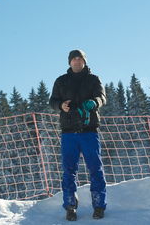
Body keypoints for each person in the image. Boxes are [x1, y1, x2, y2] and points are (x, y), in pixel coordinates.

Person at [49, 49, 107, 221]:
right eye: (74, 59)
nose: (77, 61)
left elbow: (102, 97)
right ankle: (70, 207)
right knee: (69, 171)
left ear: (84, 61)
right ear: (69, 62)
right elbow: (52, 101)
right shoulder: (61, 81)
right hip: (68, 133)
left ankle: (99, 206)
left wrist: (95, 102)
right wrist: (60, 106)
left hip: (89, 131)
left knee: (95, 169)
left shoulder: (93, 79)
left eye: (80, 59)